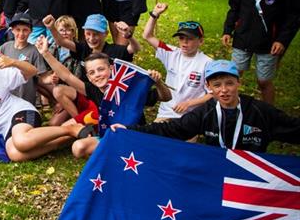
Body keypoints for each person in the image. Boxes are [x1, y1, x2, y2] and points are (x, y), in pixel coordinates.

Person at [114, 60, 300, 152]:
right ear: (208, 88)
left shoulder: (260, 111)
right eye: (217, 85)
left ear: (239, 83)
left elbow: (293, 129)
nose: (224, 90)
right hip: (217, 170)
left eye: (229, 83)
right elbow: (173, 129)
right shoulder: (205, 112)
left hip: (251, 175)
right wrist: (130, 130)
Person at [35, 39, 170, 158]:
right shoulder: (93, 90)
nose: (97, 75)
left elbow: (166, 97)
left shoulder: (128, 88)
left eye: (101, 69)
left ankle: (120, 154)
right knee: (78, 148)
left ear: (111, 68)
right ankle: (116, 152)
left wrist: (158, 83)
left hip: (132, 136)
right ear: (88, 77)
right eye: (92, 72)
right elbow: (67, 76)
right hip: (108, 136)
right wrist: (46, 53)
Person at [0, 49, 78, 162]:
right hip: (5, 127)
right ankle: (64, 140)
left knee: (22, 141)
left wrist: (13, 62)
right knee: (15, 154)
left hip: (21, 112)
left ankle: (70, 129)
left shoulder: (0, 75)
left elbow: (33, 71)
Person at [222, 0, 298, 105]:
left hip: (269, 42)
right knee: (233, 76)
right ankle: (229, 109)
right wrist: (227, 30)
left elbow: (292, 17)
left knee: (264, 81)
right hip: (243, 38)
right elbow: (233, 8)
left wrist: (282, 40)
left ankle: (268, 114)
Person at [142, 3, 211, 122]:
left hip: (191, 116)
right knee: (155, 139)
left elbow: (212, 94)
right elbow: (147, 36)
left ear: (201, 41)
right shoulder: (171, 52)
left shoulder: (208, 63)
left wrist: (189, 103)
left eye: (189, 39)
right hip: (167, 112)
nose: (184, 43)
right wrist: (155, 14)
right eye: (181, 38)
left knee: (184, 141)